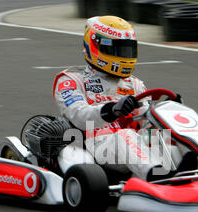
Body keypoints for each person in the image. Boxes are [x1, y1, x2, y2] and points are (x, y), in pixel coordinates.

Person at [53, 16, 176, 180]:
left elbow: (147, 121)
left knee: (170, 137)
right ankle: (157, 177)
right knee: (126, 136)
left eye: (127, 50)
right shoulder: (71, 80)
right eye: (118, 50)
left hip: (135, 144)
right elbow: (79, 115)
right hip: (96, 146)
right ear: (96, 46)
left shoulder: (134, 84)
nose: (124, 56)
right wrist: (111, 110)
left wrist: (168, 113)